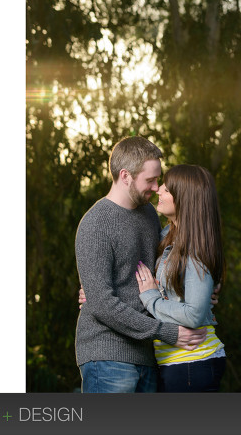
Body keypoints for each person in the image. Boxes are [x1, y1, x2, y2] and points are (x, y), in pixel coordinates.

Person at [75, 136, 207, 393]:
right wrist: (167, 332)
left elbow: (171, 266)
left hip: (148, 354)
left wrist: (202, 289)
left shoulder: (149, 214)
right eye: (150, 180)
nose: (157, 187)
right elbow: (102, 304)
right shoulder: (96, 223)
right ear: (125, 176)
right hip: (108, 354)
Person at [135, 164, 227, 392]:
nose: (159, 190)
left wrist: (151, 298)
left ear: (185, 199)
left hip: (192, 363)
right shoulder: (168, 237)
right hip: (178, 364)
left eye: (167, 189)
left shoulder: (195, 250)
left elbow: (194, 314)